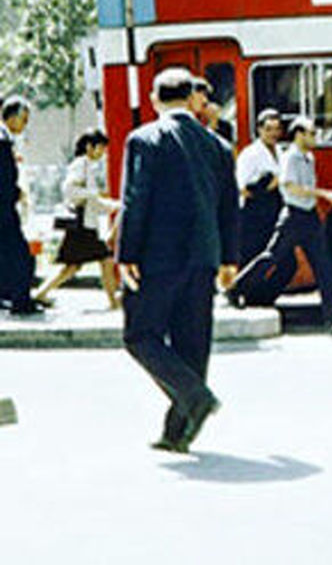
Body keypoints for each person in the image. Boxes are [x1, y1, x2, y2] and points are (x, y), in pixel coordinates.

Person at [118, 68, 239, 453]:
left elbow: (135, 199)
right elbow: (229, 207)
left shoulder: (144, 139)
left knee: (140, 336)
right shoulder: (218, 145)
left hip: (158, 256)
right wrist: (228, 259)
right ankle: (177, 433)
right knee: (193, 342)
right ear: (191, 99)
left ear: (155, 100)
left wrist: (127, 253)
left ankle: (193, 396)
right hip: (204, 255)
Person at [230, 117, 332, 329]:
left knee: (323, 265)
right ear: (299, 134)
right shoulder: (291, 157)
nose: (315, 137)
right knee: (271, 256)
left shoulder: (308, 157)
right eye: (311, 133)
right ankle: (235, 287)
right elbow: (289, 186)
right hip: (293, 217)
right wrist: (322, 194)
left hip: (309, 215)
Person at [35, 130, 121, 309]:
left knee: (73, 266)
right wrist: (96, 195)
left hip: (84, 225)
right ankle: (113, 301)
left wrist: (112, 205)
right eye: (100, 148)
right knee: (104, 260)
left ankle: (40, 293)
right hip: (82, 225)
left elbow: (92, 202)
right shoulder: (81, 165)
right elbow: (69, 190)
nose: (103, 152)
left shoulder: (87, 165)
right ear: (89, 147)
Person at [0, 96, 40, 316]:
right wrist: (15, 193)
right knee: (21, 256)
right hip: (4, 210)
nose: (24, 125)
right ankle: (20, 301)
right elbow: (4, 179)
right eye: (24, 119)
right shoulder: (2, 142)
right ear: (12, 117)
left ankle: (11, 297)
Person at [235, 108, 285, 265]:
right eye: (268, 129)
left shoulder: (280, 151)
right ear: (259, 130)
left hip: (275, 208)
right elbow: (242, 187)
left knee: (281, 260)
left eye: (277, 129)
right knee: (253, 257)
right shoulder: (250, 154)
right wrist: (268, 186)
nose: (273, 133)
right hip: (255, 212)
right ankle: (244, 289)